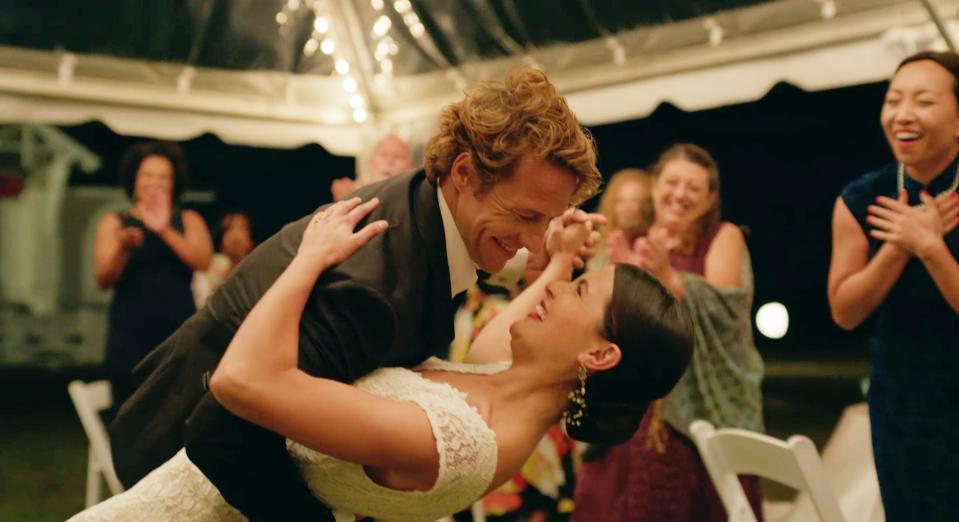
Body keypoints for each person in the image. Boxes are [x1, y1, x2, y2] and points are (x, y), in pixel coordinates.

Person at [108, 68, 605, 521]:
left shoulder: (432, 214)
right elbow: (227, 432)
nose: (537, 239)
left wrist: (556, 260)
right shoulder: (377, 285)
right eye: (525, 217)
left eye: (548, 220)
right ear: (464, 172)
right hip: (182, 462)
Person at [69, 197, 692, 522]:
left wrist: (308, 257)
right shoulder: (506, 388)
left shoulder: (465, 441)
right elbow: (489, 347)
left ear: (599, 353)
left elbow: (243, 381)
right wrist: (558, 258)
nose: (557, 289)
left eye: (579, 291)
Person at [572, 143, 765, 521]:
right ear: (655, 184)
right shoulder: (628, 239)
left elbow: (724, 317)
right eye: (672, 182)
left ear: (711, 199)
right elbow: (595, 317)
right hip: (632, 411)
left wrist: (668, 279)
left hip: (697, 413)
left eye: (693, 188)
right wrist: (622, 284)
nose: (680, 194)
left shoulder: (724, 237)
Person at [828, 50, 959, 519]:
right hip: (901, 402)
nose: (903, 114)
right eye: (893, 100)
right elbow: (844, 311)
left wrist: (931, 247)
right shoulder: (859, 198)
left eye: (924, 101)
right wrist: (898, 248)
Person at [92, 141, 213, 410]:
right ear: (134, 180)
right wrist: (122, 247)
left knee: (179, 411)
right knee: (130, 411)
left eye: (163, 176)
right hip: (129, 333)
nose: (155, 182)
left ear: (174, 183)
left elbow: (202, 261)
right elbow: (103, 279)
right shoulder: (115, 222)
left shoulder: (188, 219)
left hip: (178, 331)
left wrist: (163, 229)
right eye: (147, 175)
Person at [588, 168, 654, 272]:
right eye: (620, 201)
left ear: (647, 205)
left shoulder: (650, 244)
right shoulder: (605, 245)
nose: (626, 209)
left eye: (634, 201)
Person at [192, 211, 255, 308]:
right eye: (229, 229)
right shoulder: (206, 267)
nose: (236, 235)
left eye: (243, 229)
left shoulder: (258, 267)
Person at [330, 134, 414, 201]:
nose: (389, 161)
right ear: (369, 163)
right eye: (384, 154)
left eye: (397, 156)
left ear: (410, 168)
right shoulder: (349, 191)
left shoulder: (413, 198)